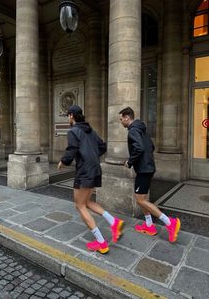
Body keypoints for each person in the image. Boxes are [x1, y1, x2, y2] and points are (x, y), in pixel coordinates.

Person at [58, 105, 124, 253]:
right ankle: (114, 223)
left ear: (71, 116)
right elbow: (102, 146)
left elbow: (72, 149)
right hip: (95, 169)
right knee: (87, 202)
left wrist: (64, 161)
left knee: (79, 205)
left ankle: (101, 242)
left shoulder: (73, 131)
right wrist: (92, 155)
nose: (68, 118)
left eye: (68, 116)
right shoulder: (90, 131)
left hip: (84, 171)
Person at [119, 107, 180, 243]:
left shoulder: (133, 130)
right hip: (148, 167)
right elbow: (151, 147)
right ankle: (149, 225)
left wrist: (130, 161)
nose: (121, 121)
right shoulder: (141, 130)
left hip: (144, 169)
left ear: (127, 117)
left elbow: (139, 148)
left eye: (121, 119)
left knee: (140, 200)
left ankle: (170, 223)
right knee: (142, 198)